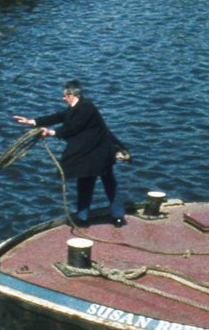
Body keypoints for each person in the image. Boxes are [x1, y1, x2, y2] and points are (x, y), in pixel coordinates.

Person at [14, 80, 127, 227]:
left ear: (71, 95)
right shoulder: (78, 106)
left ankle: (117, 216)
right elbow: (58, 117)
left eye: (64, 96)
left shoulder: (87, 108)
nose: (62, 98)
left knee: (108, 182)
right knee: (86, 182)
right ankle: (83, 217)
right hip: (88, 152)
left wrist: (51, 132)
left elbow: (73, 128)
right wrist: (32, 121)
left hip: (101, 152)